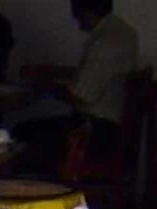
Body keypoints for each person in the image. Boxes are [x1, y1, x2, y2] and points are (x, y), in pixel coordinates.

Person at [8, 0, 138, 170]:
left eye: (78, 18)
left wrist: (43, 84)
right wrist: (51, 71)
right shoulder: (122, 30)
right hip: (111, 127)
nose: (78, 24)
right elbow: (95, 73)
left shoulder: (105, 42)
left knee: (23, 134)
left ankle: (35, 189)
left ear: (87, 13)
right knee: (29, 131)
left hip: (97, 132)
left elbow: (80, 96)